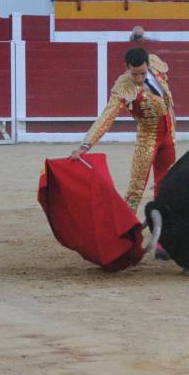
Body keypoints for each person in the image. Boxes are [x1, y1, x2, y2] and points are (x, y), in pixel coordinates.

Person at [71, 47, 176, 260]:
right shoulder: (122, 86)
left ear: (148, 64)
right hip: (148, 138)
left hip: (169, 136)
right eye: (134, 73)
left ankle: (164, 241)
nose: (138, 78)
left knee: (166, 189)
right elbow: (107, 117)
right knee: (135, 191)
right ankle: (124, 244)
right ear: (126, 68)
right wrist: (85, 145)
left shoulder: (155, 63)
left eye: (142, 73)